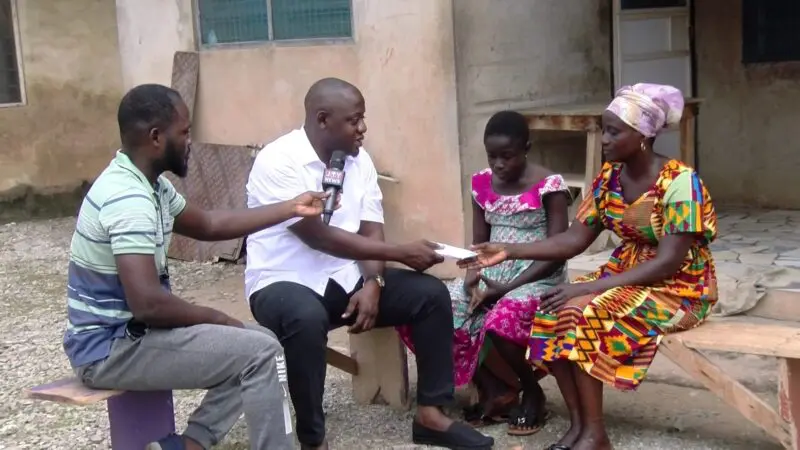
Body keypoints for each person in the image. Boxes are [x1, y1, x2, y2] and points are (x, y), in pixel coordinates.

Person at [65, 84, 333, 450]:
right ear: (156, 137)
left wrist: (289, 208)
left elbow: (208, 225)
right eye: (185, 131)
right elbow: (148, 303)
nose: (191, 141)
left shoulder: (150, 186)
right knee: (259, 352)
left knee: (262, 341)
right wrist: (217, 317)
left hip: (131, 336)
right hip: (109, 350)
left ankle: (186, 446)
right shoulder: (128, 198)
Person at [459, 83, 717, 450]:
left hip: (678, 287)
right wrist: (510, 250)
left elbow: (668, 262)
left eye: (613, 131)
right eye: (604, 129)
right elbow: (573, 239)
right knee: (552, 311)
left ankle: (596, 433)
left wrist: (588, 287)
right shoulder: (608, 180)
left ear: (642, 135)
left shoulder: (680, 183)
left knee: (583, 312)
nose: (604, 139)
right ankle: (580, 428)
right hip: (626, 273)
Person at [245, 77, 495, 450]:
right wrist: (401, 254)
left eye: (363, 119)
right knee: (305, 318)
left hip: (347, 278)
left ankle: (431, 413)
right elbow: (317, 236)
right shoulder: (278, 160)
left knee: (429, 295)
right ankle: (313, 438)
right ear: (323, 119)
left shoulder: (359, 161)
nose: (363, 129)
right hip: (282, 283)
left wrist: (373, 284)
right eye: (354, 120)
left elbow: (371, 229)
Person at [399, 110, 571, 435]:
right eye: (492, 156)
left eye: (507, 156)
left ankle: (531, 391)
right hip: (492, 269)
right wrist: (471, 278)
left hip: (536, 273)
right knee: (439, 306)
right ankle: (496, 388)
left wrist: (507, 287)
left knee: (501, 317)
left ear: (526, 148)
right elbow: (479, 243)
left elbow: (557, 251)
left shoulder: (550, 186)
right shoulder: (481, 183)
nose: (499, 165)